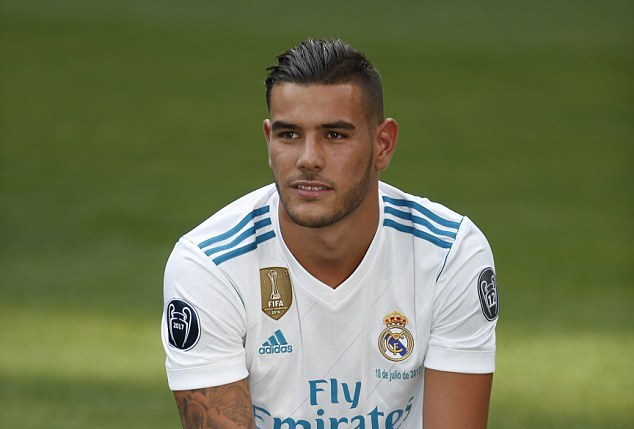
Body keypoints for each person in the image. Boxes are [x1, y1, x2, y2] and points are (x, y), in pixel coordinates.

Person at [161, 38, 499, 429]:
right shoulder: (209, 265)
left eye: (335, 135)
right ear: (269, 141)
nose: (308, 159)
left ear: (383, 144)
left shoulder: (448, 255)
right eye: (289, 135)